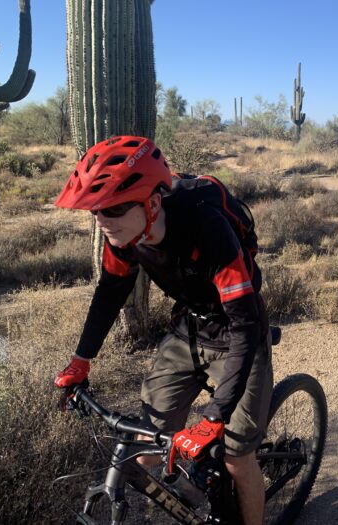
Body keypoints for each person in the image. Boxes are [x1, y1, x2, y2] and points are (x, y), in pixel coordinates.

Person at [52, 136, 271, 525]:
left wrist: (214, 418)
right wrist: (80, 361)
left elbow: (246, 322)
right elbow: (110, 293)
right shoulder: (122, 237)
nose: (103, 220)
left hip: (239, 332)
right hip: (190, 326)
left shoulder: (206, 226)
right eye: (96, 212)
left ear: (152, 203)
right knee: (148, 447)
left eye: (115, 208)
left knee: (238, 457)